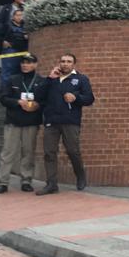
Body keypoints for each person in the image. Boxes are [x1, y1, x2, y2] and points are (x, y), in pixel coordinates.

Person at [38, 53, 94, 195]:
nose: (65, 64)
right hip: (52, 121)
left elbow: (89, 99)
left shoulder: (81, 79)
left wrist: (76, 97)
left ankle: (80, 175)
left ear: (74, 64)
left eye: (69, 61)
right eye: (63, 61)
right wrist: (49, 79)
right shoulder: (52, 79)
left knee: (72, 151)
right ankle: (51, 184)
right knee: (49, 152)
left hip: (70, 121)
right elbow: (38, 95)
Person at [0, 54, 48, 194]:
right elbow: (3, 98)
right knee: (8, 152)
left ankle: (26, 181)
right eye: (23, 63)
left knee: (28, 152)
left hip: (31, 122)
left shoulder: (41, 81)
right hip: (13, 121)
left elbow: (45, 101)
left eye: (29, 63)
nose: (25, 65)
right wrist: (17, 102)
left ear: (35, 65)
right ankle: (3, 182)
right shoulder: (12, 79)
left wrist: (37, 105)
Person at [0, 8, 28, 92]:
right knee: (7, 73)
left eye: (21, 15)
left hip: (22, 51)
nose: (19, 17)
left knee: (20, 71)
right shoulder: (7, 25)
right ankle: (5, 91)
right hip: (10, 51)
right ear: (13, 17)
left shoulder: (25, 26)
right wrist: (3, 42)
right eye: (17, 15)